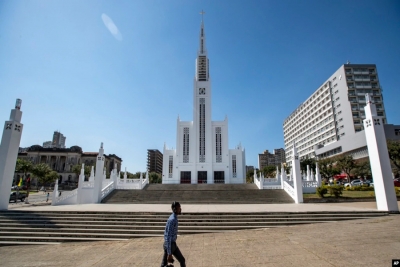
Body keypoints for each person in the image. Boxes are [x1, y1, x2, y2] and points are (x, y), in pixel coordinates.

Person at [160, 202, 185, 267]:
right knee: (164, 264)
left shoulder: (174, 217)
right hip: (169, 245)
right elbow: (168, 236)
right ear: (174, 209)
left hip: (172, 244)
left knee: (182, 260)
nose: (180, 209)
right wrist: (169, 253)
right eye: (179, 207)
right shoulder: (172, 220)